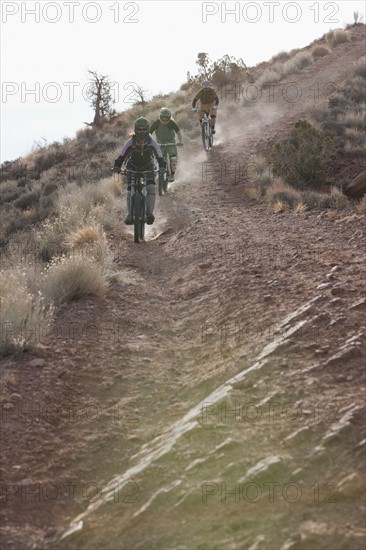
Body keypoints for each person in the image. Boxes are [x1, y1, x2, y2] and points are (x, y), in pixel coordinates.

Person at [112, 117, 166, 225]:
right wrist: (117, 166)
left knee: (151, 187)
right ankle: (130, 214)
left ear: (147, 129)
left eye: (144, 129)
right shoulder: (130, 141)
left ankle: (149, 213)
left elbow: (159, 156)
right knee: (129, 189)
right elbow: (122, 155)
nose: (142, 132)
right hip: (132, 166)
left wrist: (162, 166)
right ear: (135, 129)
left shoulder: (152, 142)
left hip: (148, 166)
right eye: (139, 129)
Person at [149, 108, 183, 182]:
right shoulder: (157, 123)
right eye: (163, 117)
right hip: (160, 142)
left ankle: (172, 174)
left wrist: (180, 141)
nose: (164, 120)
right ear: (160, 116)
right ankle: (157, 171)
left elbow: (178, 132)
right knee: (158, 157)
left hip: (171, 142)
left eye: (166, 118)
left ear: (169, 117)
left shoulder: (171, 123)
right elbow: (149, 132)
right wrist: (149, 141)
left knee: (173, 158)